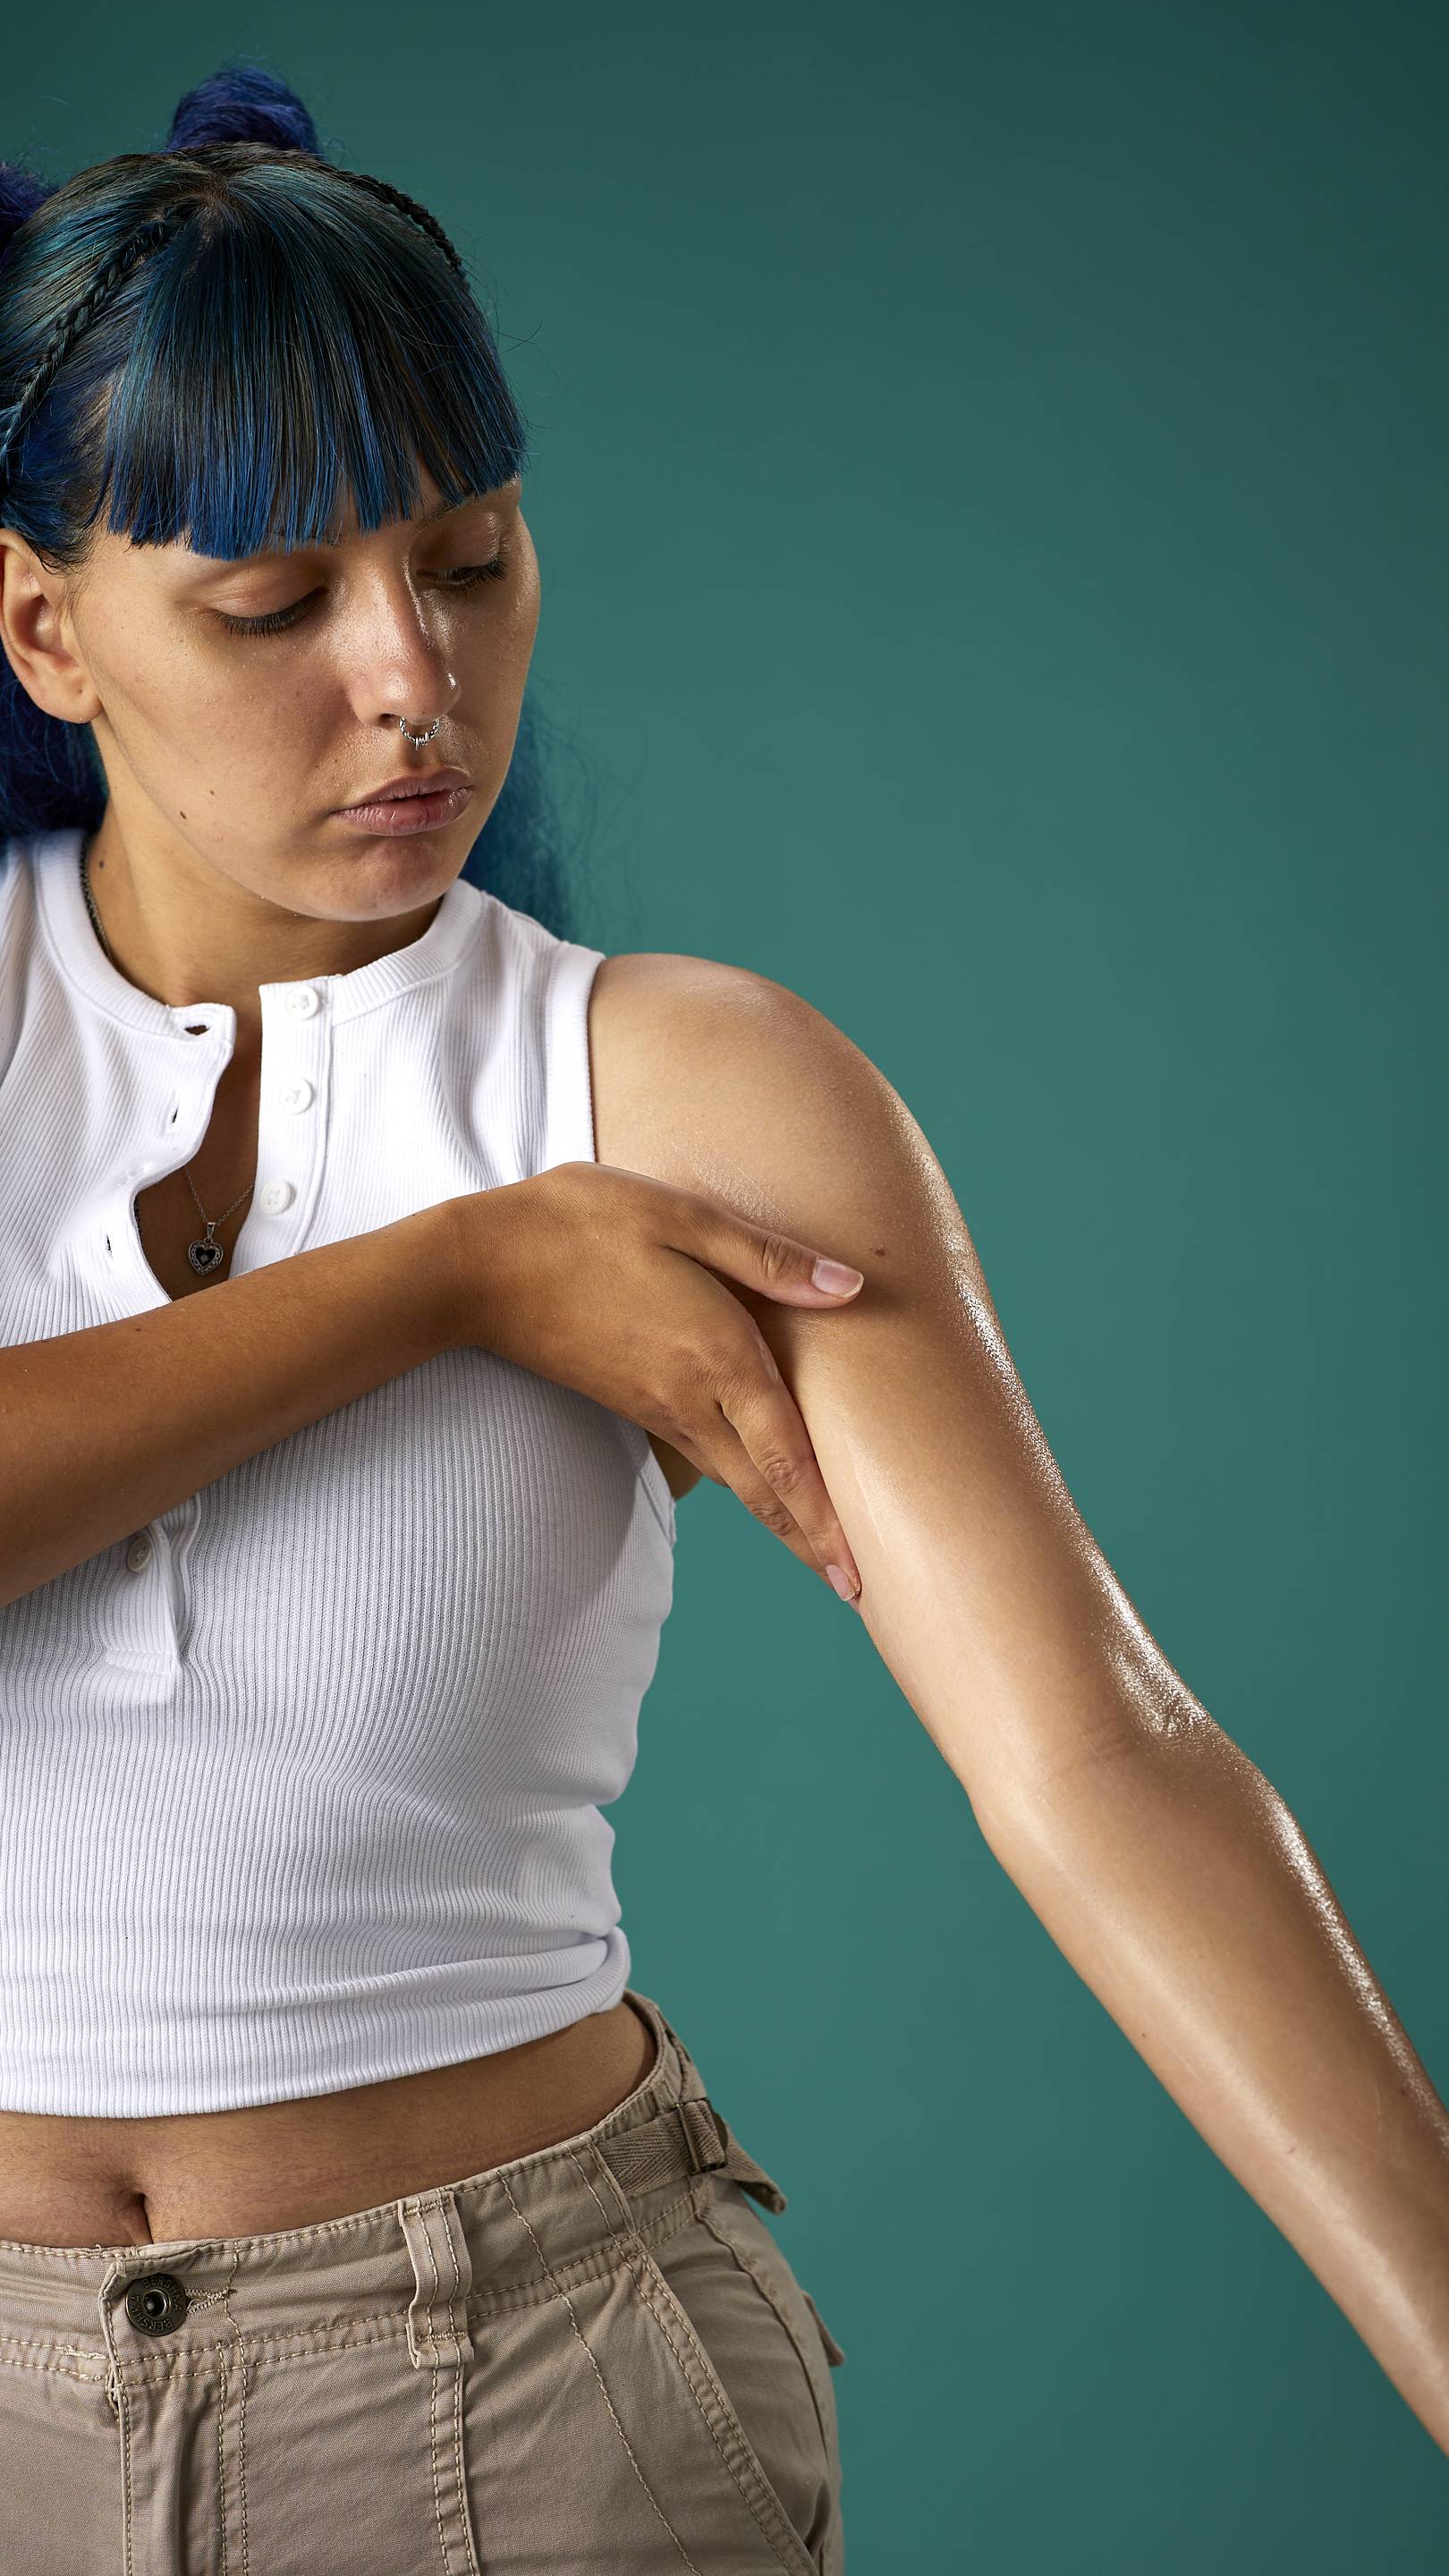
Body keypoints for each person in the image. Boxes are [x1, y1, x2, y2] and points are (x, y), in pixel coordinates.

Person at [0, 59, 1445, 2576]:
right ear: (46, 632)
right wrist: (451, 1272)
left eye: (469, 561)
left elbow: (1092, 1756)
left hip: (520, 2395)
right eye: (272, 604)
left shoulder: (678, 1082)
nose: (414, 681)